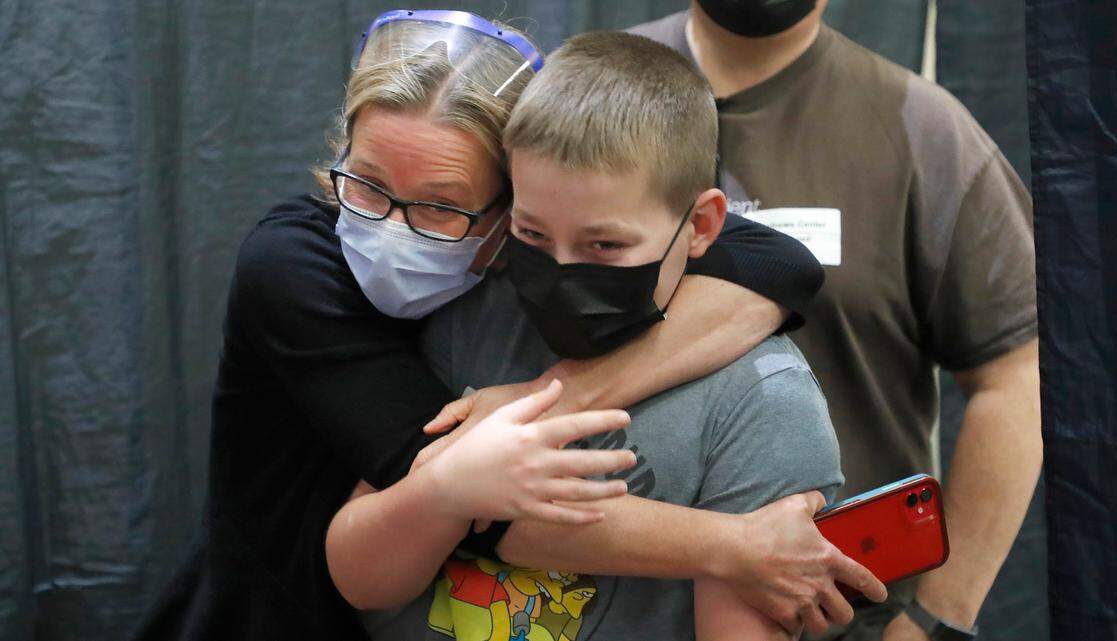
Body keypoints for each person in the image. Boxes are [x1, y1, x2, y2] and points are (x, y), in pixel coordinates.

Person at [132, 10, 883, 641]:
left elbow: (780, 263)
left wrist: (554, 391)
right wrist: (735, 548)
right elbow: (474, 506)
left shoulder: (508, 267)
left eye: (440, 205)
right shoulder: (295, 263)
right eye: (363, 184)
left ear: (504, 205)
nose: (392, 230)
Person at [333, 31, 846, 641]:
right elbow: (360, 578)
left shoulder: (761, 400)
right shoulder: (465, 317)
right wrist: (444, 491)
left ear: (703, 224)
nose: (561, 273)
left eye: (604, 245)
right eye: (531, 235)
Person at [630, 2, 1042, 640]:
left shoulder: (920, 129)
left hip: (845, 613)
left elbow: (1015, 378)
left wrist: (934, 620)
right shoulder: (595, 89)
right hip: (603, 603)